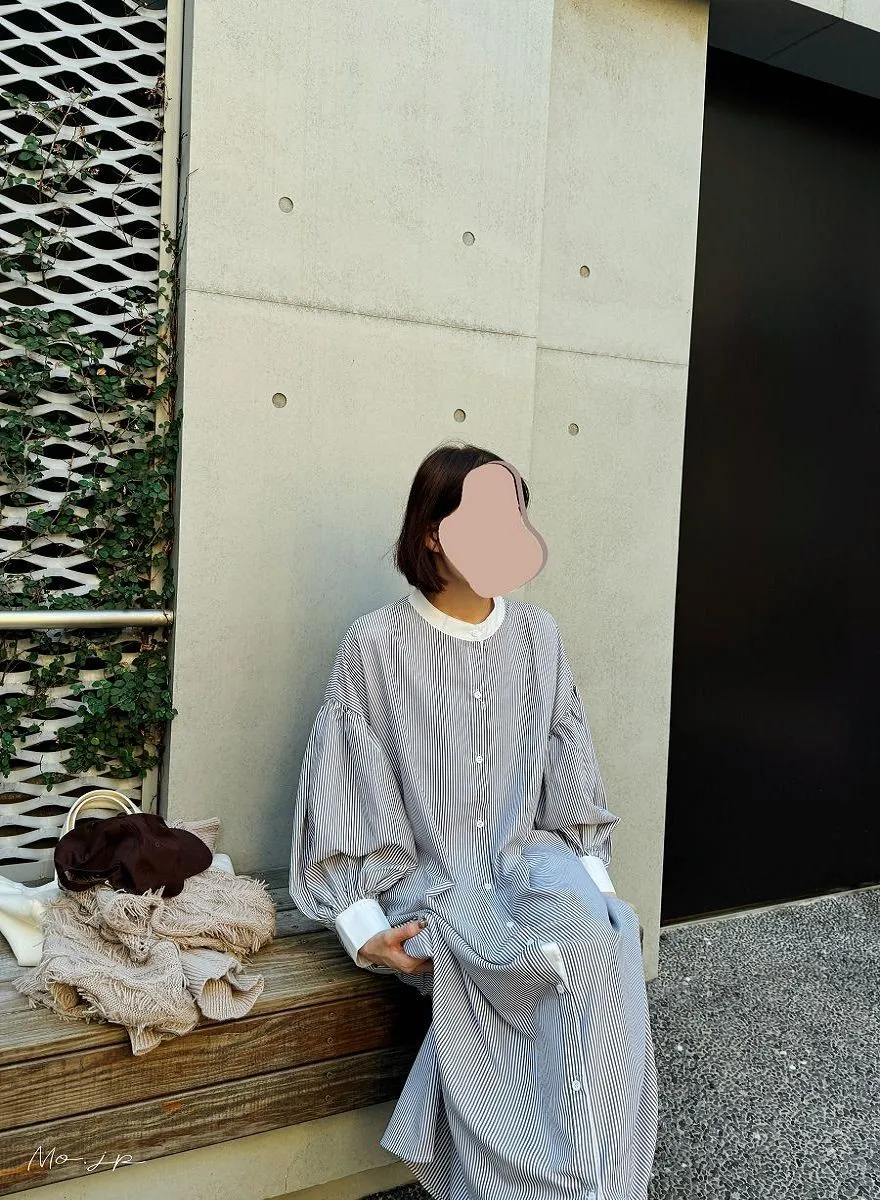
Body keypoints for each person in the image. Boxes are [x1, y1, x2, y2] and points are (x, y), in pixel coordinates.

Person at [289, 443, 659, 1200]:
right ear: (433, 533)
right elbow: (344, 789)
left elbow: (568, 764)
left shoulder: (540, 637)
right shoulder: (375, 647)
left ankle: (604, 1183)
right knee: (500, 964)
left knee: (596, 948)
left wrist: (595, 886)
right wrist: (361, 927)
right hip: (430, 875)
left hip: (533, 858)